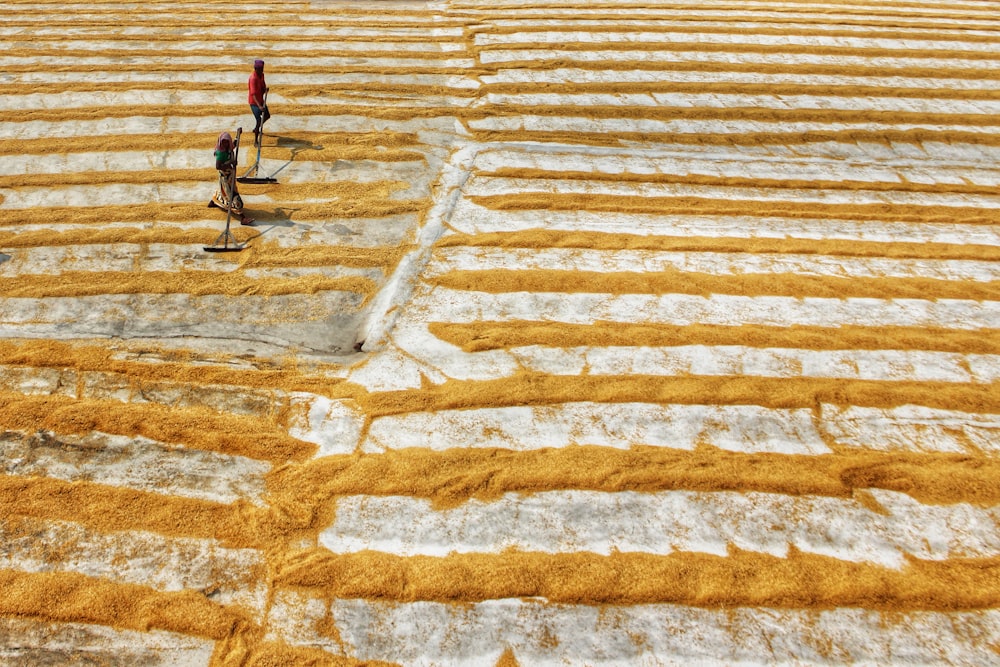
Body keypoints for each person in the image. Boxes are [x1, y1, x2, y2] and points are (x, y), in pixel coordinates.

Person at [211, 131, 253, 225]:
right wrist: (230, 164)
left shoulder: (229, 147)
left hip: (230, 176)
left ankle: (214, 201)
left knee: (223, 192)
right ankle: (242, 217)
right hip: (225, 177)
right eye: (224, 142)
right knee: (232, 196)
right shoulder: (221, 153)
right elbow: (218, 166)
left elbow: (234, 144)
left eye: (227, 142)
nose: (225, 144)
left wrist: (238, 135)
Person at [248, 59, 269, 140]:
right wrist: (259, 106)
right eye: (260, 69)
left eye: (262, 69)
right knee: (259, 120)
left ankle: (256, 128)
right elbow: (253, 95)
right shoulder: (253, 79)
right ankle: (256, 139)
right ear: (255, 69)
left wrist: (265, 89)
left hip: (260, 100)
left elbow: (263, 85)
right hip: (254, 103)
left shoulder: (262, 75)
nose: (262, 71)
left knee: (267, 115)